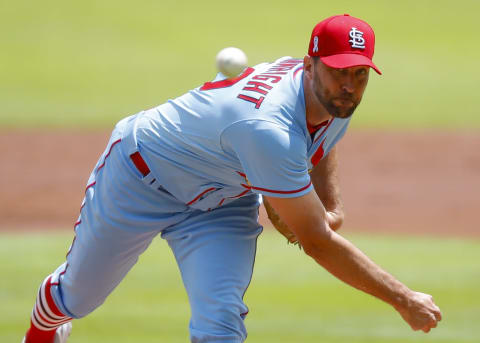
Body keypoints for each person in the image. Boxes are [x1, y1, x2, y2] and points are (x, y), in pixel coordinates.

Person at [22, 14, 442, 343]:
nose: (349, 86)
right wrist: (404, 299)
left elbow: (322, 140)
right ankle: (44, 329)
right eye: (338, 72)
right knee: (76, 296)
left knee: (220, 324)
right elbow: (315, 242)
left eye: (360, 73)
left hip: (221, 202)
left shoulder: (332, 99)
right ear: (309, 65)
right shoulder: (268, 129)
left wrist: (332, 207)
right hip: (140, 177)